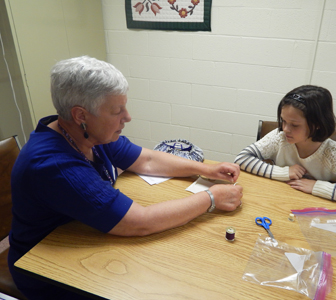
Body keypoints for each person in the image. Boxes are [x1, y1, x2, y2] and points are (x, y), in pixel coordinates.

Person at [9, 56, 243, 299]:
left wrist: (205, 170)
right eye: (117, 110)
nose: (127, 117)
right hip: (48, 271)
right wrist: (211, 198)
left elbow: (147, 160)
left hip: (83, 234)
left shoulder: (87, 134)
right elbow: (141, 222)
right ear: (81, 115)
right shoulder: (55, 166)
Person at [234, 85, 336, 211]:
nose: (285, 129)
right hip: (279, 206)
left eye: (295, 125)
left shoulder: (335, 153)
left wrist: (317, 187)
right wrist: (283, 172)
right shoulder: (280, 137)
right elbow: (241, 159)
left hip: (316, 213)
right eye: (283, 121)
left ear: (317, 124)